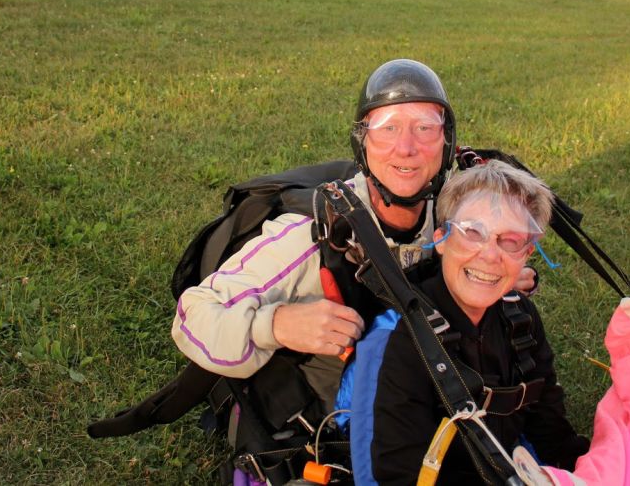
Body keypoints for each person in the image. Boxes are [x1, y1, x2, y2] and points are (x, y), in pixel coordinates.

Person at [170, 59, 537, 410]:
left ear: (446, 141)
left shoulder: (449, 212)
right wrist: (276, 324)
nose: (406, 147)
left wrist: (481, 270)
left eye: (425, 127)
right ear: (363, 142)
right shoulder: (308, 234)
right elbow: (193, 315)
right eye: (387, 128)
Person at [341, 159, 589, 484]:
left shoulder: (520, 321)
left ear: (526, 254)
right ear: (441, 239)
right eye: (473, 232)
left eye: (510, 240)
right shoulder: (398, 339)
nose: (489, 255)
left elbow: (549, 429)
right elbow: (392, 475)